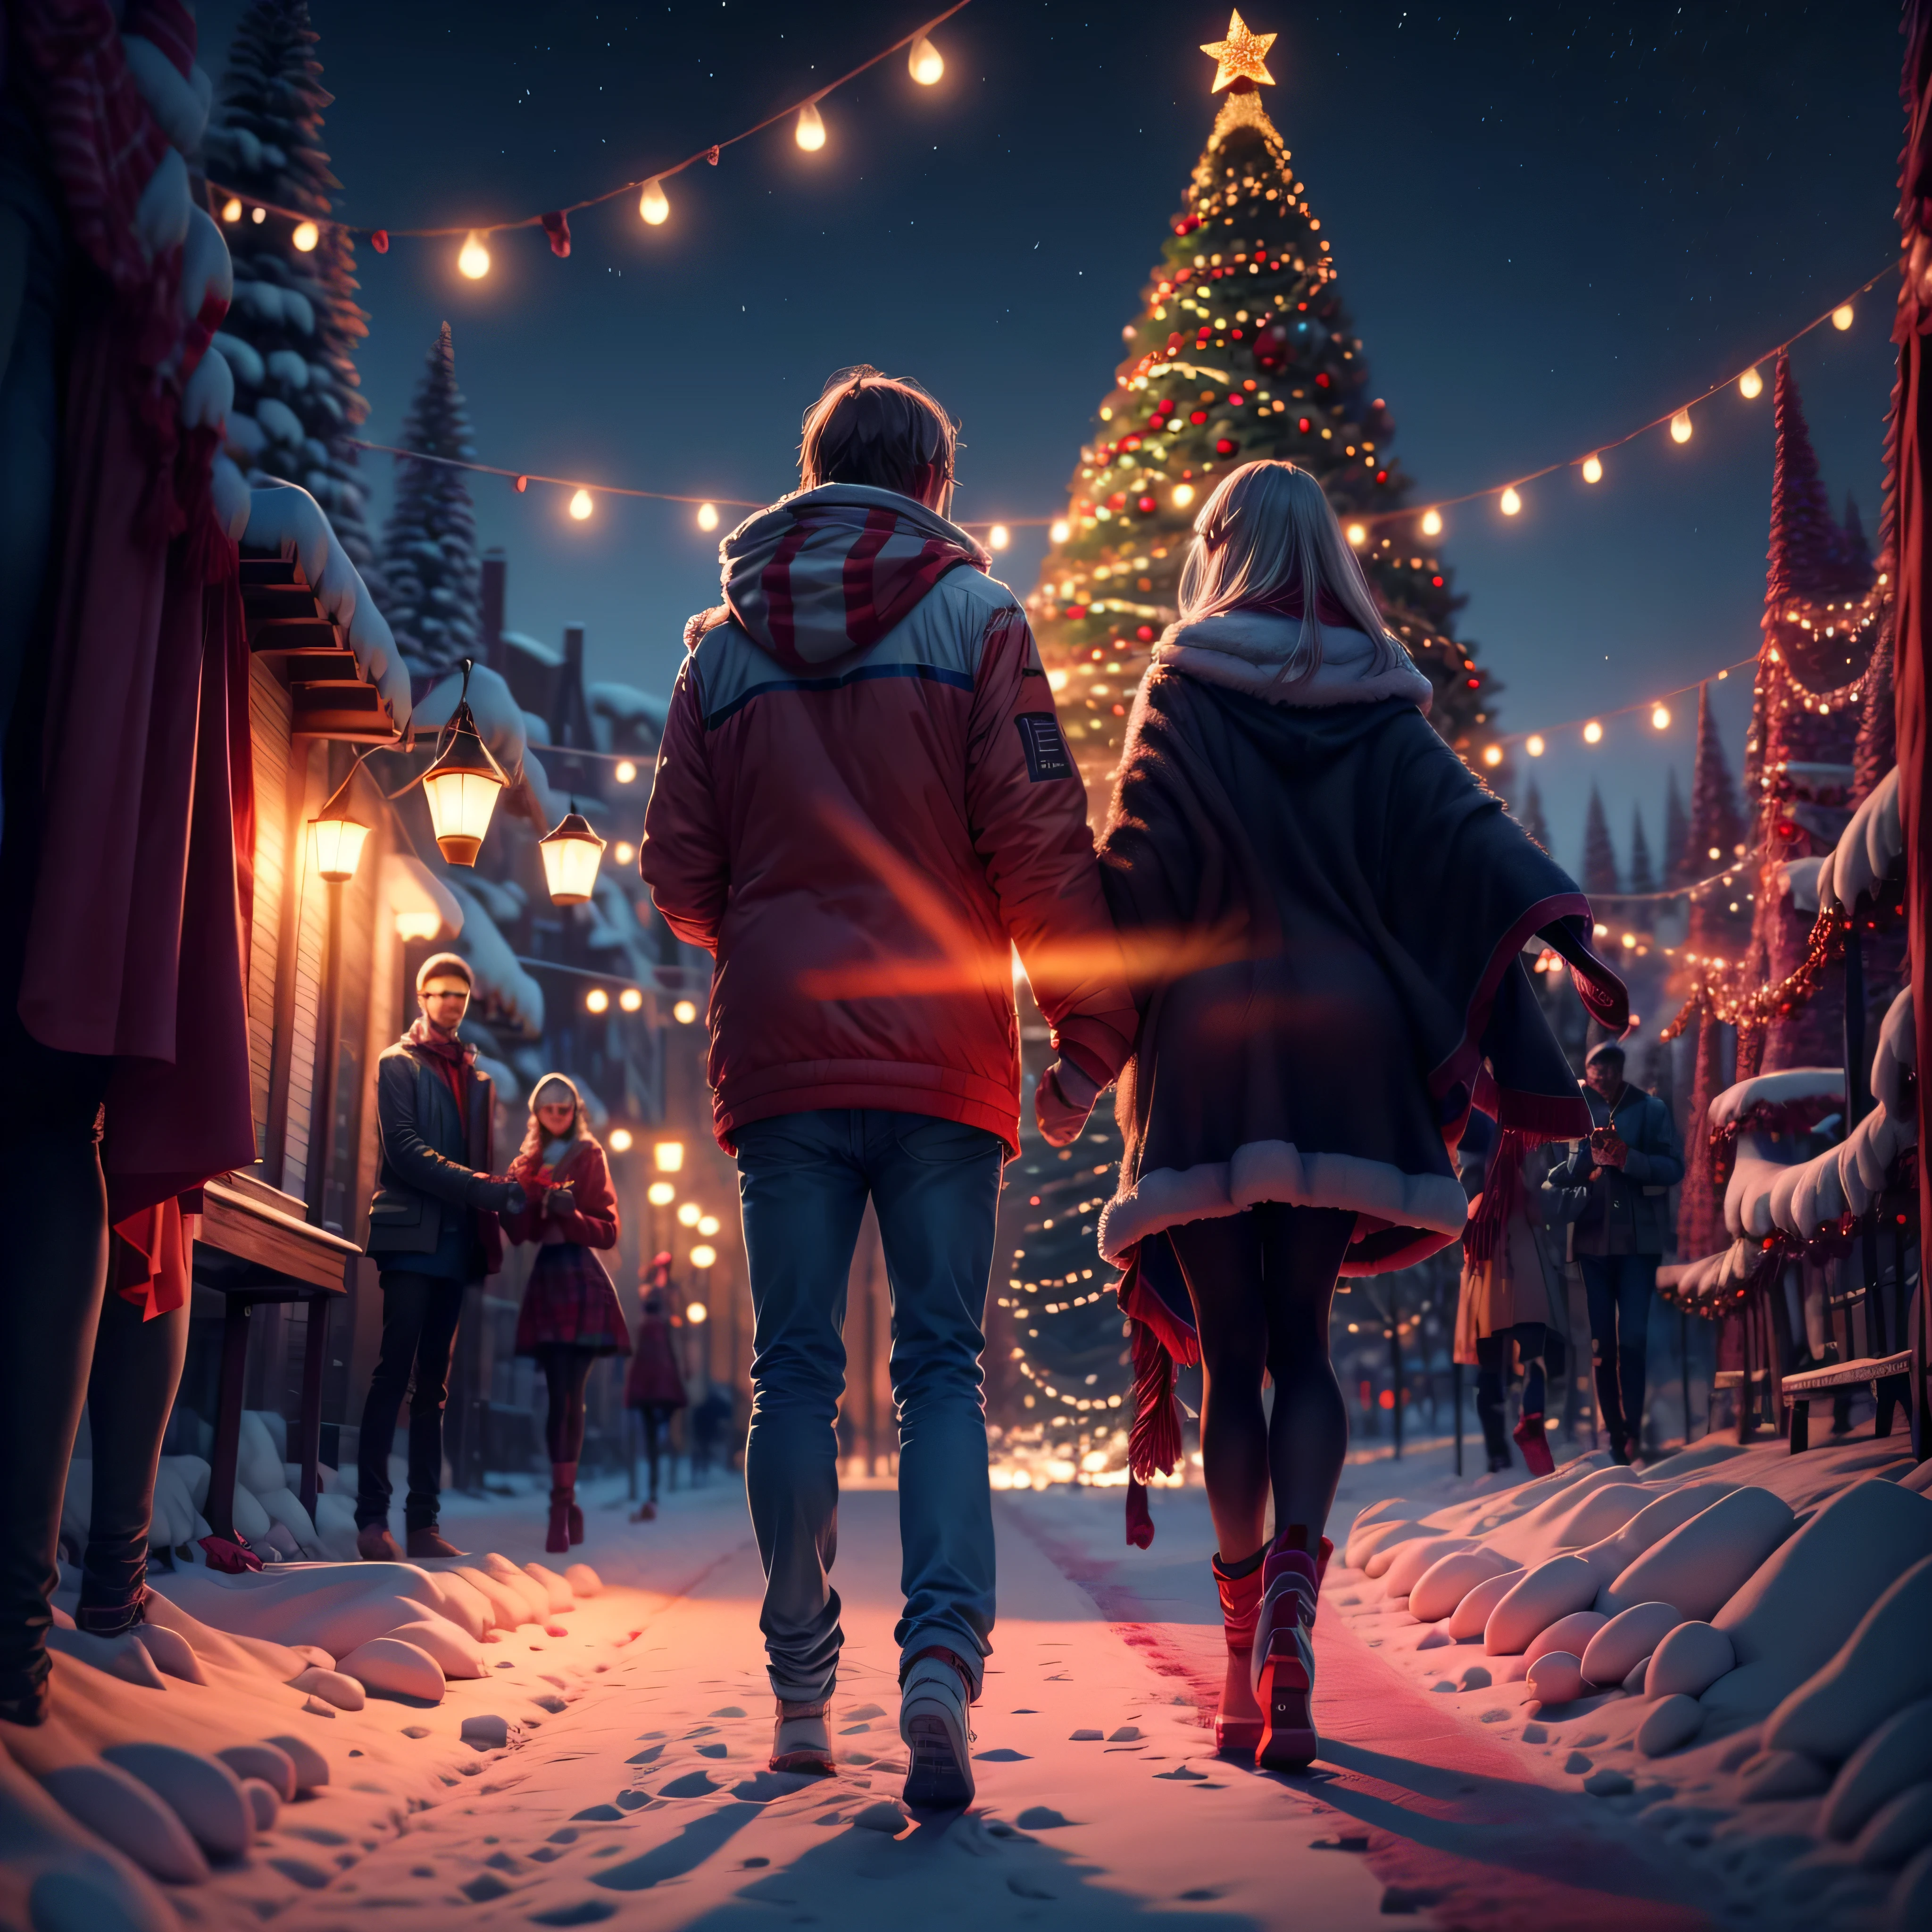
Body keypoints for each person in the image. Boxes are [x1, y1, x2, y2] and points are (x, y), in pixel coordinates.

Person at [641, 366, 1137, 1807]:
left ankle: (801, 1697)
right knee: (938, 1373)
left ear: (815, 472)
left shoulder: (716, 651)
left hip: (784, 1061)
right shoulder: (981, 621)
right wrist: (1084, 1036)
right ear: (932, 485)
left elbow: (678, 878)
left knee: (789, 1367)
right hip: (941, 1064)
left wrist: (774, 908)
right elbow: (1041, 839)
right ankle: (938, 1663)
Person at [1093, 461, 1625, 1771]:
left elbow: (1144, 873)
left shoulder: (1182, 684)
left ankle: (1233, 1667)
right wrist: (1567, 937)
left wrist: (1066, 975)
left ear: (1220, 549)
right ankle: (1294, 1610)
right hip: (1347, 1053)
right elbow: (1466, 838)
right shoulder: (1385, 701)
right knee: (1307, 1348)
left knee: (1229, 1356)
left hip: (1210, 1051)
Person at [356, 954, 525, 1561]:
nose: (453, 1002)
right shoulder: (396, 1063)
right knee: (392, 1372)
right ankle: (372, 1520)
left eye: (462, 994)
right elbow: (403, 1150)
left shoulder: (477, 1079)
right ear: (423, 994)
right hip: (408, 1237)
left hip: (455, 1241)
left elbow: (480, 1159)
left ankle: (423, 1524)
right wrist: (482, 1188)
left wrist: (512, 1192)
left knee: (435, 1385)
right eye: (442, 992)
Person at [500, 1074, 627, 1554]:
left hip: (582, 1277)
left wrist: (570, 1214)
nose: (558, 1115)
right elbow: (521, 1234)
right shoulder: (528, 1162)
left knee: (572, 1394)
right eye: (549, 1108)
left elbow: (609, 1231)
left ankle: (563, 1504)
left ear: (576, 1111)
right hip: (548, 1277)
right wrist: (512, 1203)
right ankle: (561, 1503)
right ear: (537, 1113)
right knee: (560, 1396)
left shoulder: (589, 1154)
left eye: (565, 1108)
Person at [1544, 1040, 1683, 1465]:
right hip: (1591, 1244)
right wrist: (1582, 1163)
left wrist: (1629, 1159)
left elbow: (1674, 1167)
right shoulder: (1572, 1115)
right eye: (1595, 1068)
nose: (1602, 1075)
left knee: (1634, 1342)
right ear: (1586, 1071)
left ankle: (1634, 1432)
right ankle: (1615, 1436)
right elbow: (1552, 1180)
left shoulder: (1650, 1109)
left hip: (1639, 1245)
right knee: (1603, 1346)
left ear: (1622, 1068)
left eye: (1610, 1066)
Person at [1457, 1134, 1571, 1475]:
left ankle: (1500, 1451)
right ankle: (1528, 1423)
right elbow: (1542, 1213)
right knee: (1531, 1355)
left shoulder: (1477, 1149)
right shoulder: (1526, 1147)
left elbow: (1463, 1219)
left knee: (1494, 1367)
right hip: (1518, 1270)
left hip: (1488, 1271)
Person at [625, 1253, 688, 1519]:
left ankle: (654, 1484)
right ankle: (654, 1484)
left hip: (654, 1373)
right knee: (654, 1432)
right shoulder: (659, 1303)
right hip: (655, 1373)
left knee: (652, 1432)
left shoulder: (655, 1300)